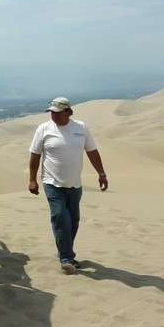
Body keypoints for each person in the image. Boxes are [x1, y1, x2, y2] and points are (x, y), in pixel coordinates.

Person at [28, 97, 108, 274]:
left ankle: (64, 251)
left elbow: (92, 151)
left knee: (73, 221)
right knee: (59, 217)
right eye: (52, 112)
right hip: (52, 182)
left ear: (68, 112)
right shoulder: (44, 129)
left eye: (57, 112)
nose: (54, 116)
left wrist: (101, 174)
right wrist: (32, 179)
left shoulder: (81, 128)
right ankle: (66, 258)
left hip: (75, 184)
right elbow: (35, 155)